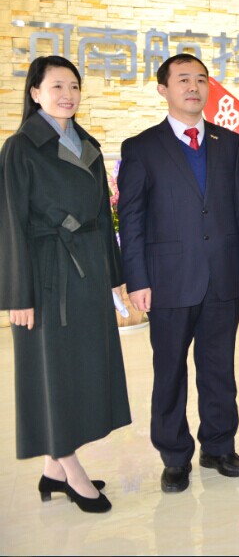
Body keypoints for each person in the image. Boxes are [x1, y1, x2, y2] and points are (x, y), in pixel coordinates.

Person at [0, 56, 130, 513]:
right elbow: (9, 223)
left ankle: (52, 472)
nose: (67, 94)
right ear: (35, 93)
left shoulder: (86, 142)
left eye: (73, 86)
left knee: (81, 370)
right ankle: (71, 470)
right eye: (56, 86)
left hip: (88, 271)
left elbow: (102, 217)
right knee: (53, 374)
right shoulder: (20, 148)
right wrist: (17, 293)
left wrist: (115, 277)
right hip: (46, 276)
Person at [116, 54, 239, 492]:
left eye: (201, 80)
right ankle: (175, 456)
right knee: (170, 371)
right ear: (163, 90)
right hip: (168, 281)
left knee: (219, 368)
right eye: (183, 80)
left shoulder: (232, 144)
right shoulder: (141, 147)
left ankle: (219, 446)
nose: (194, 87)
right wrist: (137, 280)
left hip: (223, 276)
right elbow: (131, 219)